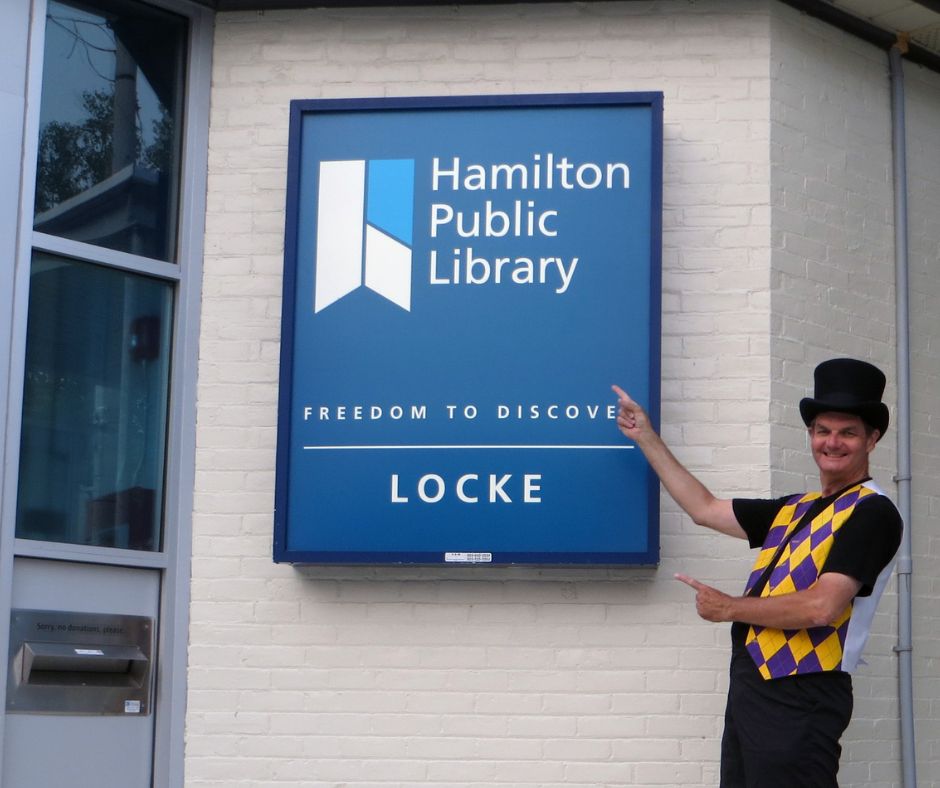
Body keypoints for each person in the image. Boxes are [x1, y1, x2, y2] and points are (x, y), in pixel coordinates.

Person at [613, 358, 903, 788]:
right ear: (810, 435)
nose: (833, 442)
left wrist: (730, 607)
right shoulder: (795, 509)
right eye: (823, 430)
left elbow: (822, 606)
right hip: (753, 687)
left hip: (804, 692)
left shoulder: (873, 513)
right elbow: (705, 509)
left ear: (871, 439)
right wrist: (647, 438)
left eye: (848, 432)